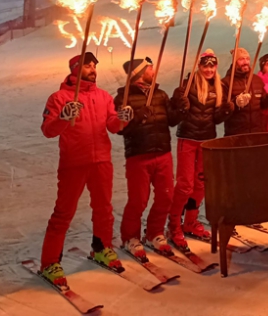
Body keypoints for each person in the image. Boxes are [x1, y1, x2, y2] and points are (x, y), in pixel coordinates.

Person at [39, 52, 123, 285]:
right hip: (74, 163)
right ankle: (50, 262)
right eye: (87, 65)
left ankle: (102, 247)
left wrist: (123, 118)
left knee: (104, 208)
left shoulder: (104, 96)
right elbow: (48, 130)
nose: (93, 69)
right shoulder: (59, 97)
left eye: (94, 65)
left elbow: (113, 126)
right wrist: (64, 117)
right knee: (64, 213)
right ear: (75, 68)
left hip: (101, 161)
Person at [113, 57, 182, 259]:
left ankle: (155, 232)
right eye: (150, 68)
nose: (154, 71)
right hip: (138, 156)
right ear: (139, 72)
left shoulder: (159, 94)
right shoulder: (123, 97)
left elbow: (171, 120)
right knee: (138, 200)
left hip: (162, 153)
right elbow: (120, 129)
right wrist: (138, 116)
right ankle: (130, 237)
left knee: (166, 196)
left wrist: (180, 107)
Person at [168, 49, 233, 245]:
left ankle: (191, 221)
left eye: (212, 65)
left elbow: (216, 119)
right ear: (199, 66)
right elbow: (173, 112)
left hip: (206, 140)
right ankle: (173, 224)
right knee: (185, 184)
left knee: (200, 184)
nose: (209, 69)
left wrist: (225, 111)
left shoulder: (219, 87)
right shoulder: (188, 85)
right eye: (205, 65)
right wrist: (179, 101)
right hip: (188, 138)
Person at [222, 48, 268, 136]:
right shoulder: (226, 82)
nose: (245, 62)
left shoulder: (257, 80)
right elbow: (221, 113)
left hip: (258, 134)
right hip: (236, 135)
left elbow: (263, 105)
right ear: (234, 62)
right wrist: (235, 103)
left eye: (247, 59)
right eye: (241, 59)